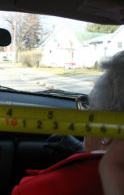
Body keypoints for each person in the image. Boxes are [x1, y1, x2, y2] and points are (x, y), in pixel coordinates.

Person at [12, 50, 124, 195]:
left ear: (107, 130)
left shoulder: (32, 190)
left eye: (88, 110)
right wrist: (82, 154)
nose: (83, 116)